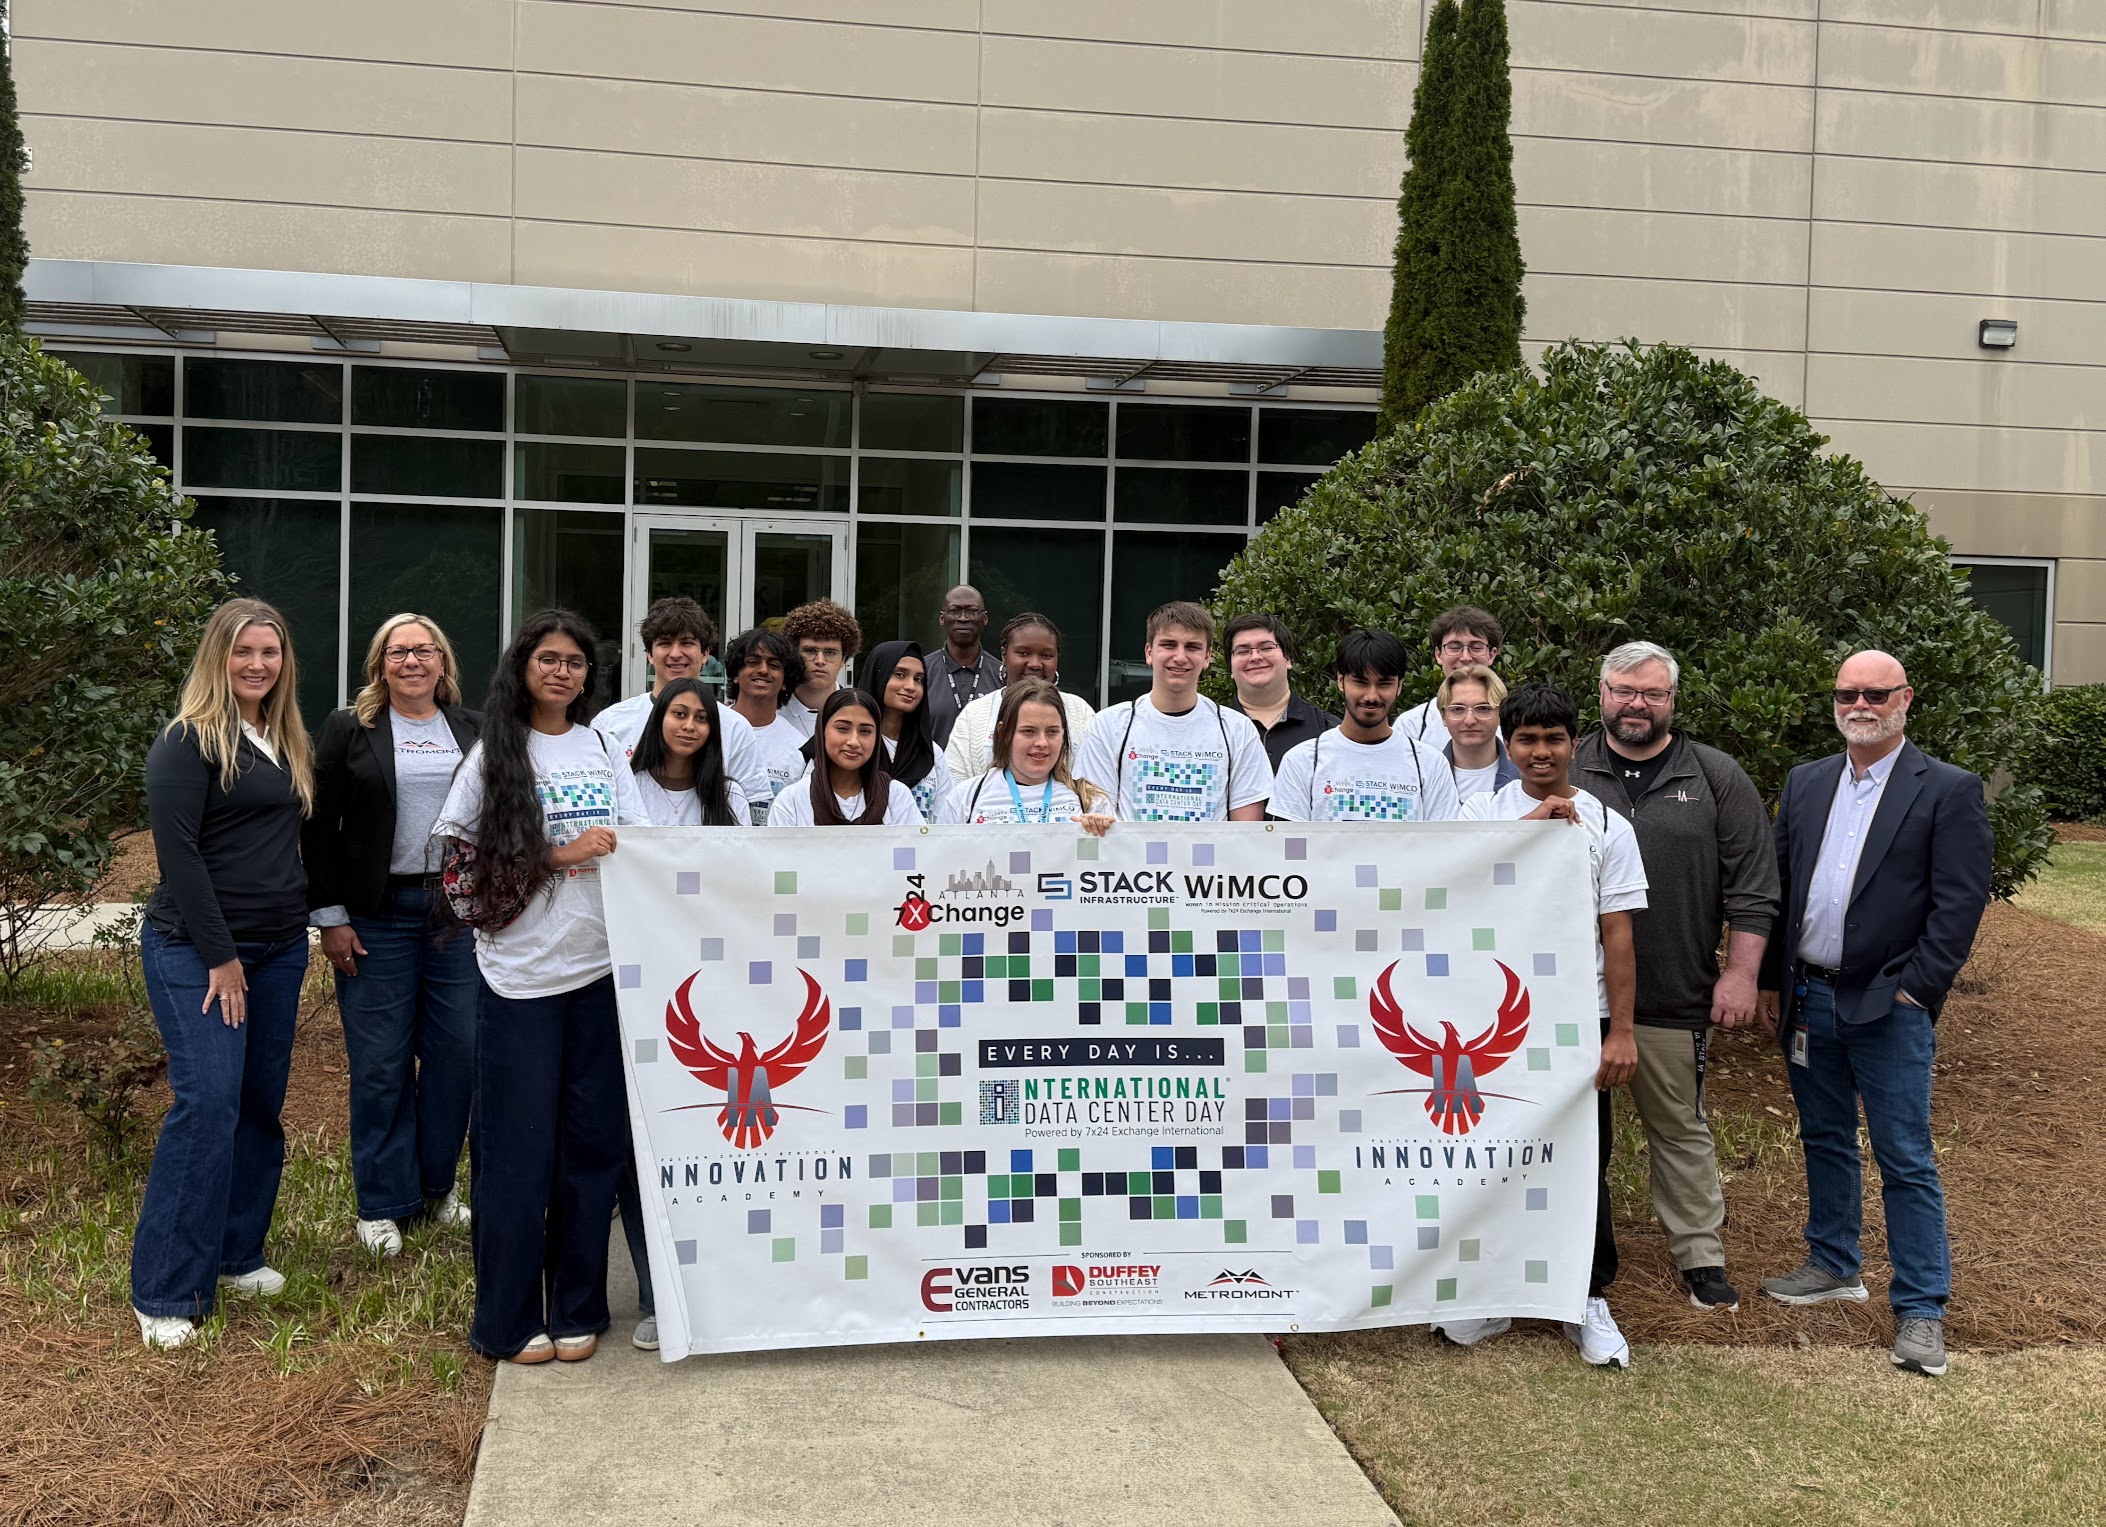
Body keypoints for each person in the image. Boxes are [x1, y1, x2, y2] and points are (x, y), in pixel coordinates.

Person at [1756, 650, 1992, 1379]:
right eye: (1848, 692)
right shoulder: (1807, 780)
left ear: (1905, 699)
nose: (1860, 703)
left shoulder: (1947, 789)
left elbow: (1959, 902)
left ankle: (1922, 1307)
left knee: (1905, 1157)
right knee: (1825, 1136)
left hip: (1890, 1005)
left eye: (1876, 693)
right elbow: (1781, 884)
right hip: (1809, 996)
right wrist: (1772, 980)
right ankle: (1833, 1262)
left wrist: (1916, 989)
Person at [432, 609, 649, 1365]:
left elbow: (641, 841)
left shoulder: (601, 746)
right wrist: (557, 857)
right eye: (549, 658)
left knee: (590, 1146)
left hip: (599, 968)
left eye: (576, 662)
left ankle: (579, 1304)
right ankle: (507, 1317)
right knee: (517, 1151)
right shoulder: (496, 751)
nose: (562, 671)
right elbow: (459, 865)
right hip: (521, 975)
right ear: (523, 666)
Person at [1574, 641, 1781, 1314]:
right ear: (1601, 693)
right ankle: (1571, 1253)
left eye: (1652, 693)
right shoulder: (1566, 767)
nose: (1637, 703)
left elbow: (1753, 887)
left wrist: (1742, 974)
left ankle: (1700, 1254)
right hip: (1571, 998)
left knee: (1680, 1128)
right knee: (1573, 1138)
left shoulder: (1716, 775)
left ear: (1671, 701)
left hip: (1675, 993)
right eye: (1625, 690)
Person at [132, 599, 316, 1350]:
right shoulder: (187, 741)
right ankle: (166, 1288)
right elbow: (178, 857)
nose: (257, 665)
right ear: (219, 656)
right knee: (207, 1102)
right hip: (199, 951)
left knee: (258, 1103)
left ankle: (238, 1253)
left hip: (278, 948)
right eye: (244, 652)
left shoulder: (283, 738)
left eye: (269, 653)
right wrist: (221, 957)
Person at [1448, 682, 1644, 1369]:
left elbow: (1617, 936)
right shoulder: (1478, 809)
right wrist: (1530, 829)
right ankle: (1491, 1289)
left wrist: (1620, 1030)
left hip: (1577, 1017)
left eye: (1553, 739)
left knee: (1583, 1159)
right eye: (1526, 739)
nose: (1539, 752)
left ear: (1574, 743)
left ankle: (1587, 1296)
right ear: (1507, 740)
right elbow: (1450, 885)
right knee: (1493, 1151)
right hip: (1494, 1020)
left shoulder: (1609, 824)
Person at [305, 612, 482, 1260]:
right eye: (398, 651)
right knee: (380, 1065)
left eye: (424, 650)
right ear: (381, 664)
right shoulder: (350, 728)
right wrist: (331, 918)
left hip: (453, 912)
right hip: (376, 912)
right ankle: (382, 1202)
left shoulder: (472, 727)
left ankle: (436, 1190)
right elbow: (318, 825)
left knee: (454, 1056)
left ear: (442, 661)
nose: (412, 661)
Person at [1074, 602, 1272, 823]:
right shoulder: (1108, 725)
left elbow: (1246, 832)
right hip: (1130, 857)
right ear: (1149, 653)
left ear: (1208, 657)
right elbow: (1099, 821)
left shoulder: (1237, 729)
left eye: (1192, 647)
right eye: (1169, 645)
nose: (1180, 657)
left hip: (1209, 858)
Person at [594, 596, 771, 810]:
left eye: (687, 643)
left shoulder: (735, 727)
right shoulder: (611, 723)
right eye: (665, 643)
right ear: (649, 654)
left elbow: (754, 805)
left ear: (706, 653)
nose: (675, 654)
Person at [1268, 627, 1458, 823]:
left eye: (1384, 683)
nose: (1371, 696)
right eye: (1360, 682)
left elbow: (1441, 845)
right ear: (1341, 681)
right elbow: (1289, 846)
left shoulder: (1429, 763)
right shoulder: (1303, 761)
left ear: (1399, 686)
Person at [943, 678, 1114, 836]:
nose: (1042, 742)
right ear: (1003, 732)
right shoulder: (965, 798)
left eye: (1052, 732)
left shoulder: (1090, 801)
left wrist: (1103, 838)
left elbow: (1113, 864)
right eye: (1028, 731)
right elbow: (942, 863)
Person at [944, 613, 1096, 783]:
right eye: (1023, 653)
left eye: (1046, 655)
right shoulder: (975, 714)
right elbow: (954, 783)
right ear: (1004, 655)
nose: (1035, 664)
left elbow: (1094, 781)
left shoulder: (1080, 712)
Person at [764, 689, 925, 828]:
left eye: (865, 731)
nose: (853, 742)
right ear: (822, 731)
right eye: (842, 728)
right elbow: (782, 860)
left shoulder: (896, 796)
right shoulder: (792, 801)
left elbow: (913, 857)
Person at [629, 678, 750, 828]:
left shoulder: (730, 795)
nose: (689, 726)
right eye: (679, 714)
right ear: (659, 718)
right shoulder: (630, 787)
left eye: (701, 718)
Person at [859, 640, 956, 825]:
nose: (911, 686)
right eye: (900, 674)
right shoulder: (851, 746)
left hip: (920, 852)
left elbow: (944, 821)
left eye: (918, 679)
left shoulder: (930, 753)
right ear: (877, 675)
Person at [1224, 613, 1336, 771]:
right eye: (1243, 651)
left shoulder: (1328, 730)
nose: (1255, 657)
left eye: (1266, 648)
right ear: (1231, 668)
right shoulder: (1213, 730)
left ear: (1288, 658)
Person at [722, 627, 808, 824]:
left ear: (786, 681)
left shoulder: (800, 749)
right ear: (736, 674)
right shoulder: (709, 727)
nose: (762, 670)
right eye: (752, 662)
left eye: (774, 665)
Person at [1397, 605, 1503, 747]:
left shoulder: (1515, 720)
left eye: (1476, 647)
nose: (1465, 657)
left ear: (1491, 655)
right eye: (1454, 647)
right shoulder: (1412, 726)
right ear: (1439, 654)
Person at [923, 584, 1003, 746]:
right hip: (931, 770)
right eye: (954, 611)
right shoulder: (921, 672)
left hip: (986, 771)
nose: (963, 618)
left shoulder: (1002, 674)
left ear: (985, 618)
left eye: (972, 611)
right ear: (942, 618)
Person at [778, 598, 862, 739]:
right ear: (793, 653)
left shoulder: (861, 713)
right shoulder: (771, 713)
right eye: (810, 651)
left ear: (844, 659)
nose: (820, 661)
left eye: (830, 653)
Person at [1440, 664, 1517, 801]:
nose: (1470, 720)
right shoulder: (1423, 776)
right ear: (1443, 716)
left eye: (1483, 709)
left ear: (1501, 714)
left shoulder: (1527, 776)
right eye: (1458, 709)